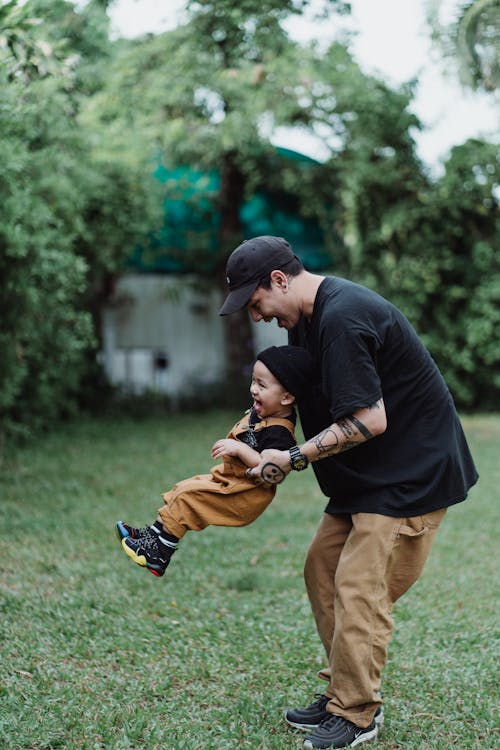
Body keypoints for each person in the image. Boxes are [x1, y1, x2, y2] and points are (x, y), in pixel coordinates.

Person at [219, 235, 478, 749]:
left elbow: (369, 419)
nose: (257, 316)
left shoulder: (342, 317)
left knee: (361, 587)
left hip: (410, 476)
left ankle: (357, 713)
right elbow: (301, 394)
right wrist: (259, 435)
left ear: (279, 280)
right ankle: (344, 688)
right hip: (367, 478)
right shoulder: (305, 322)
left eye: (256, 304)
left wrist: (291, 458)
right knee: (321, 567)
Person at [116, 344, 314, 578]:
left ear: (287, 397)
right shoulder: (267, 411)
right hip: (229, 479)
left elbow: (267, 466)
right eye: (253, 381)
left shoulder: (280, 432)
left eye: (262, 385)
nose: (253, 390)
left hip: (245, 493)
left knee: (188, 499)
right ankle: (152, 536)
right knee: (182, 488)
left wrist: (239, 448)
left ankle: (159, 554)